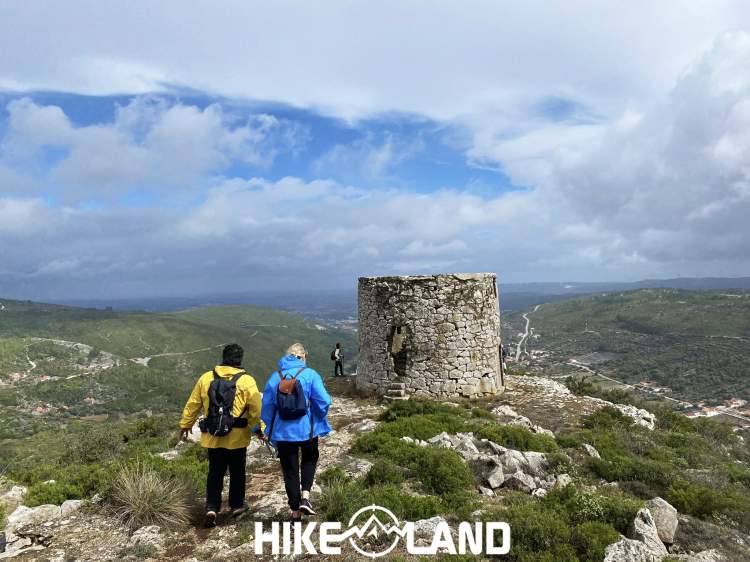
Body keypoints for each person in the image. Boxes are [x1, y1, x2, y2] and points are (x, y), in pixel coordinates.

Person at [179, 343, 264, 528]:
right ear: (240, 360)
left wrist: (185, 424)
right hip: (237, 437)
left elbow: (193, 403)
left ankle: (211, 506)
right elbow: (256, 409)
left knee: (215, 472)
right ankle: (236, 506)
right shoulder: (247, 380)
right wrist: (260, 429)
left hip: (213, 436)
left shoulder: (206, 378)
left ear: (223, 357)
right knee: (237, 471)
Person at [262, 343, 332, 522]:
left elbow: (267, 408)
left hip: (283, 432)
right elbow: (324, 401)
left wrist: (270, 428)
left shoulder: (275, 377)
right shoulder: (310, 375)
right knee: (309, 459)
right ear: (303, 358)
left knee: (290, 469)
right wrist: (317, 418)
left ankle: (295, 512)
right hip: (307, 429)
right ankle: (306, 496)